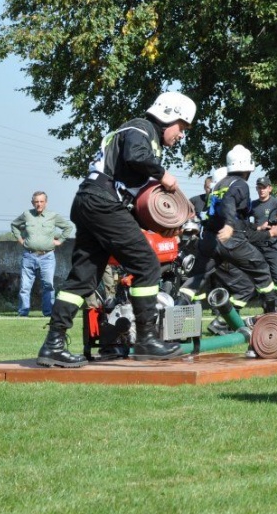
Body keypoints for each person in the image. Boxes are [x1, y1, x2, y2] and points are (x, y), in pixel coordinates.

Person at [36, 91, 197, 367]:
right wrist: (163, 174)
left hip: (89, 200)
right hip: (103, 203)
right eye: (182, 127)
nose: (181, 135)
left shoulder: (133, 132)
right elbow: (136, 156)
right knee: (147, 264)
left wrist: (164, 224)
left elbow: (133, 198)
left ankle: (53, 344)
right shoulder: (141, 129)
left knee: (83, 279)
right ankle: (146, 340)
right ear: (169, 115)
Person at [178, 145, 277, 315]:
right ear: (247, 168)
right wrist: (228, 225)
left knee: (196, 279)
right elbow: (229, 202)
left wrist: (263, 231)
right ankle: (271, 317)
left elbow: (218, 211)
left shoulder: (219, 184)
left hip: (210, 240)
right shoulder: (239, 184)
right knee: (262, 269)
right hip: (230, 239)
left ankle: (179, 311)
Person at [10, 191, 74, 317]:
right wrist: (20, 240)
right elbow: (14, 225)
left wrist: (60, 241)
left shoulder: (53, 216)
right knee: (24, 287)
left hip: (47, 257)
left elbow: (68, 227)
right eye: (36, 202)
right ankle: (22, 313)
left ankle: (49, 313)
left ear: (46, 202)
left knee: (48, 286)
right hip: (29, 256)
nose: (39, 204)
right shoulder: (26, 214)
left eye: (41, 201)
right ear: (32, 203)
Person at [250, 175, 277, 300]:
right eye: (259, 187)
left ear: (270, 188)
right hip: (258, 245)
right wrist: (258, 227)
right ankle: (265, 301)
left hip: (275, 245)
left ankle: (276, 302)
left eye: (264, 187)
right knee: (261, 275)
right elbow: (245, 224)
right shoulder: (252, 205)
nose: (261, 190)